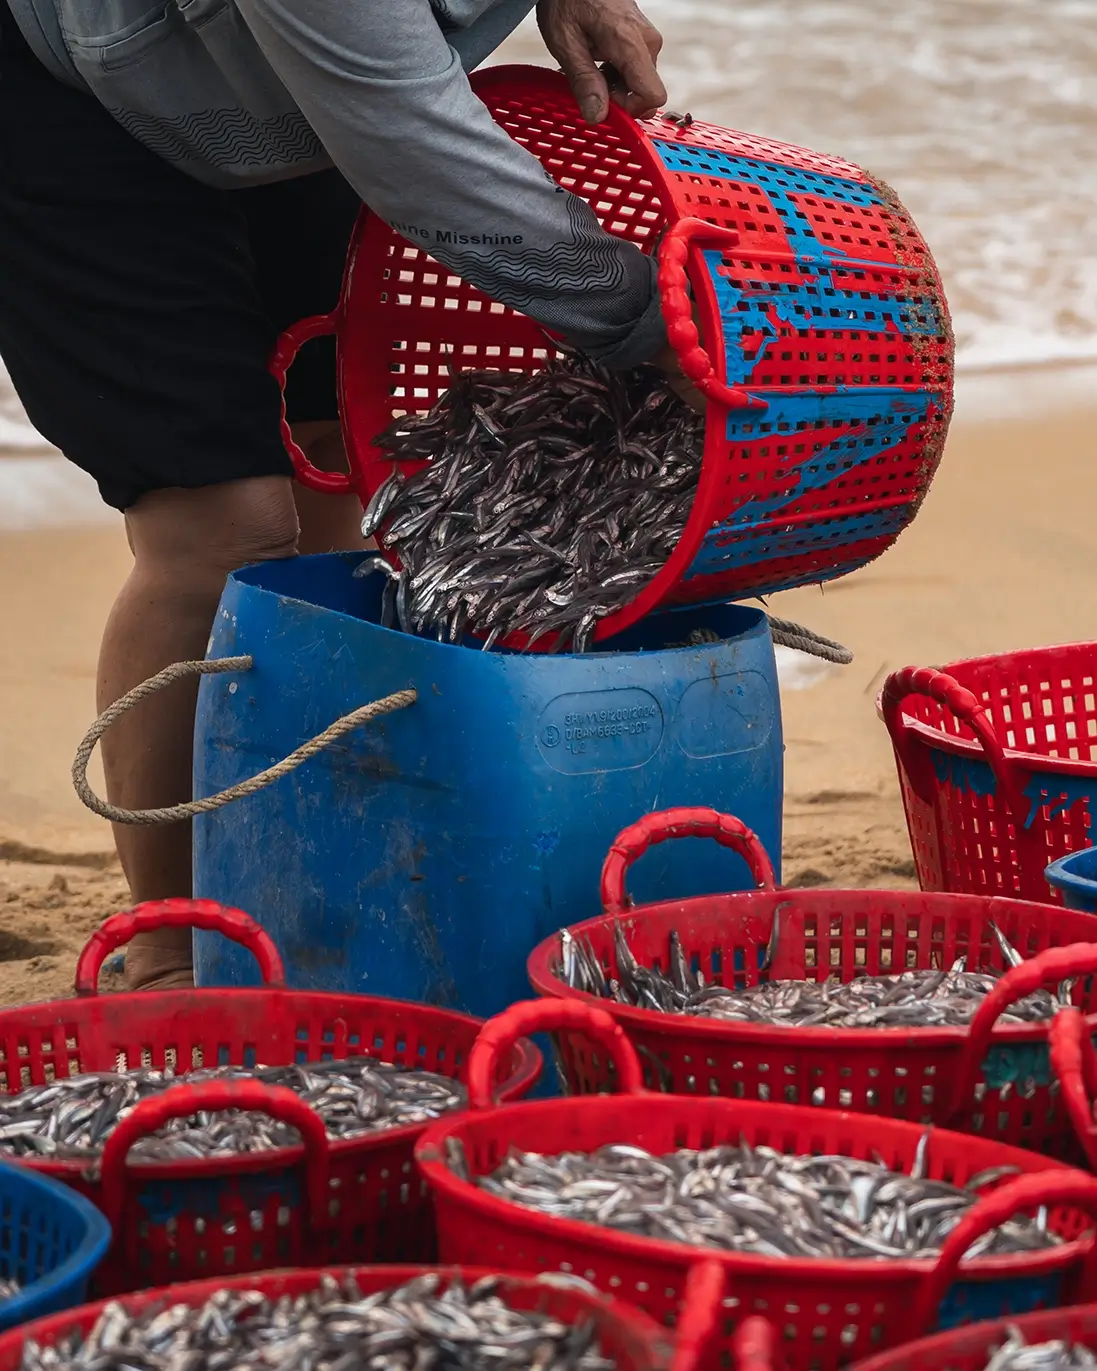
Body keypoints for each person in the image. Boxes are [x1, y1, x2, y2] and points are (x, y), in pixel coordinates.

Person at [0, 0, 693, 992]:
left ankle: (291, 873)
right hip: (76, 97)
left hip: (288, 93)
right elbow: (415, 149)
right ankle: (168, 936)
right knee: (219, 525)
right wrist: (647, 326)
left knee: (334, 480)